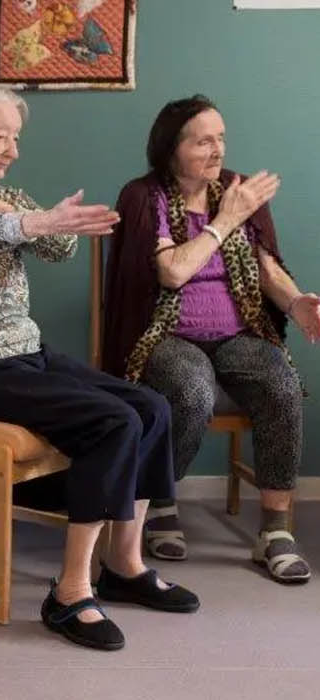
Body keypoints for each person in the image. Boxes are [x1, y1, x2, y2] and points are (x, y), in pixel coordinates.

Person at [0, 82, 199, 651]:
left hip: (22, 355)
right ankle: (70, 593)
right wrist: (16, 218)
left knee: (152, 406)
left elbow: (60, 248)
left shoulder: (8, 195)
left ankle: (123, 567)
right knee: (113, 420)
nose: (12, 150)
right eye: (0, 135)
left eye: (16, 137)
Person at [103, 95, 314, 583]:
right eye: (203, 141)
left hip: (238, 330)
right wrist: (224, 222)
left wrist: (296, 302)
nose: (217, 150)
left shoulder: (235, 192)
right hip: (164, 332)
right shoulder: (144, 196)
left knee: (281, 384)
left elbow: (265, 268)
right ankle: (159, 501)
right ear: (171, 148)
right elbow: (173, 273)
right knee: (192, 392)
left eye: (221, 137)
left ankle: (276, 531)